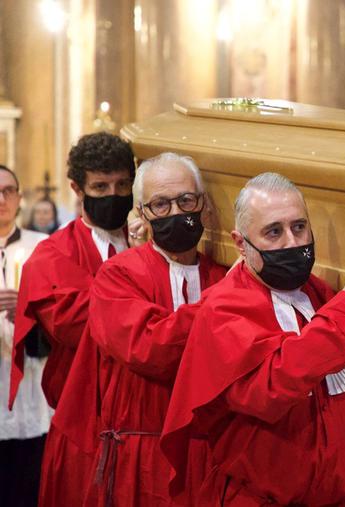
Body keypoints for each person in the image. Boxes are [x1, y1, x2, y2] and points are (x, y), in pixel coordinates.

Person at [160, 172, 345, 506]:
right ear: (241, 243)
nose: (292, 242)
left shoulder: (324, 295)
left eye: (299, 227)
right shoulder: (224, 309)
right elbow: (273, 386)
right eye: (274, 232)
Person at [63, 153, 226, 506]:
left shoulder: (222, 276)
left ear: (205, 206)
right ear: (142, 213)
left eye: (186, 200)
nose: (176, 212)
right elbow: (150, 348)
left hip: (215, 455)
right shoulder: (118, 275)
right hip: (145, 456)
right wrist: (227, 299)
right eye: (160, 204)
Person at [9, 132, 135, 507]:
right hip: (86, 430)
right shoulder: (51, 256)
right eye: (100, 186)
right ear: (76, 189)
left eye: (123, 184)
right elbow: (85, 327)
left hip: (146, 429)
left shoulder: (155, 245)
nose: (114, 194)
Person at [0, 166, 51, 507]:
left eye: (8, 190)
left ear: (19, 199)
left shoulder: (43, 248)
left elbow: (61, 323)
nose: (1, 198)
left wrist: (28, 312)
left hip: (31, 395)